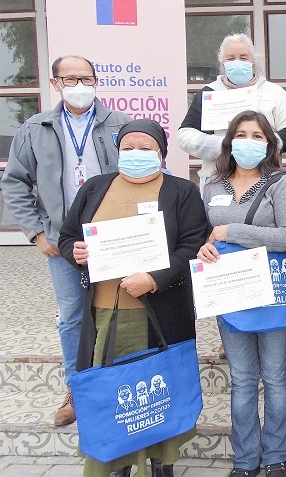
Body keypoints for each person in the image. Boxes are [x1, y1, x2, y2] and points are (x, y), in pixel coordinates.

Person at [57, 119, 208, 477]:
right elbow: (67, 236)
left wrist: (154, 279)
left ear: (161, 152)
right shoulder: (95, 188)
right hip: (104, 312)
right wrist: (73, 251)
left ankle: (159, 464)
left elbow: (193, 245)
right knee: (112, 394)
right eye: (128, 148)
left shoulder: (181, 191)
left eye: (146, 148)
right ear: (117, 150)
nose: (136, 154)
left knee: (155, 392)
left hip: (160, 313)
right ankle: (116, 464)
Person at [1, 55, 131, 427]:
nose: (79, 85)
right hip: (61, 240)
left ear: (96, 80)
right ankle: (76, 391)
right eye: (70, 78)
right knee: (73, 315)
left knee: (117, 310)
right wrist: (35, 231)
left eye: (86, 77)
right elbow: (14, 181)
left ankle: (113, 385)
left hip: (113, 238)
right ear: (55, 83)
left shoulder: (119, 124)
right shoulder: (35, 127)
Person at [196, 110, 286, 477]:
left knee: (274, 376)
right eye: (241, 134)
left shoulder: (281, 183)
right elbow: (202, 234)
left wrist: (233, 232)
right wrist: (204, 248)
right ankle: (244, 461)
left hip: (273, 292)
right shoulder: (212, 185)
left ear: (269, 143)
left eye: (257, 135)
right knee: (242, 379)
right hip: (230, 294)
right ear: (229, 141)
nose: (249, 141)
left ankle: (275, 458)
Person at [178, 33, 286, 193]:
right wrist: (221, 145)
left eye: (243, 57)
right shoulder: (208, 93)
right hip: (218, 180)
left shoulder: (274, 92)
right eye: (231, 58)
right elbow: (185, 135)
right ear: (222, 63)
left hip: (266, 179)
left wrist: (260, 145)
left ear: (253, 61)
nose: (237, 62)